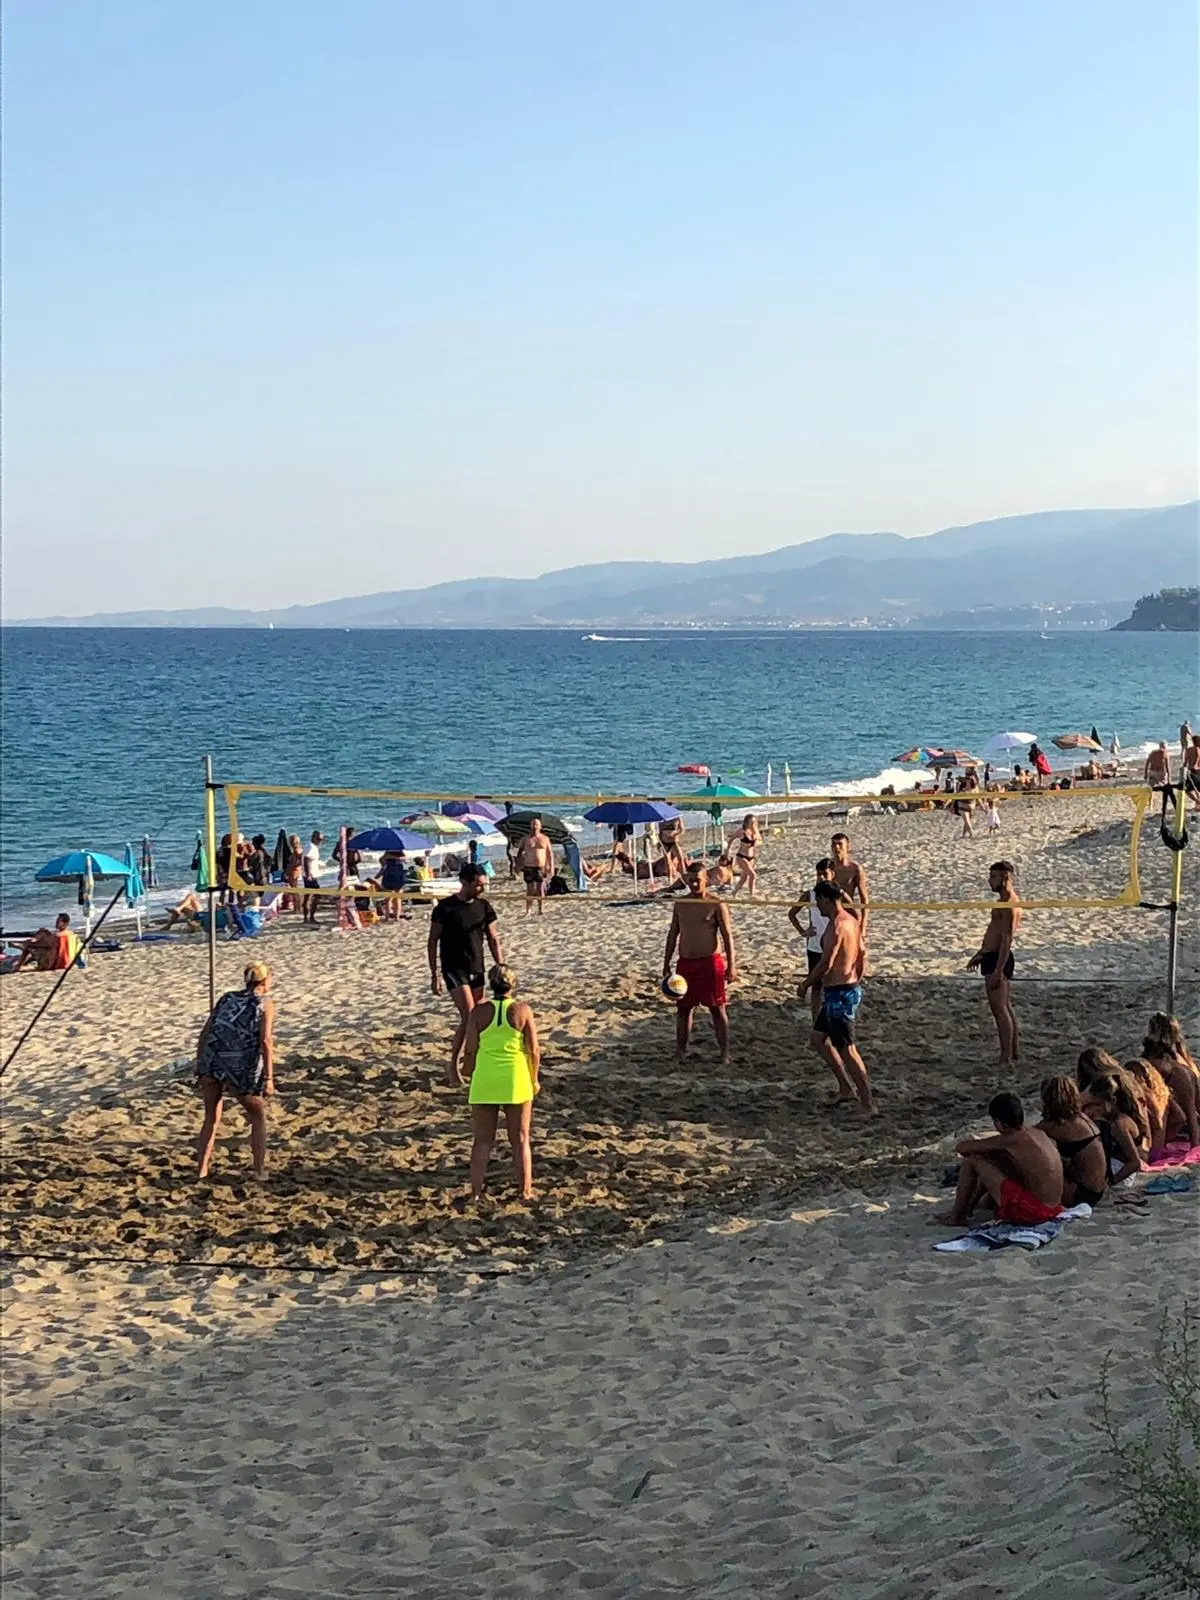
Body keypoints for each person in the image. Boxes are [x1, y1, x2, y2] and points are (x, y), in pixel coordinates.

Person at [461, 963, 540, 1201]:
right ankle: (525, 1191)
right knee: (521, 1138)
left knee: (482, 1140)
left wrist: (467, 1071)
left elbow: (471, 1049)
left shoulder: (478, 1012)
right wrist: (534, 1079)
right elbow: (534, 1050)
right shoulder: (522, 1010)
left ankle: (475, 1191)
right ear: (513, 985)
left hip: (486, 1077)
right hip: (516, 1077)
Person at [195, 960, 276, 1180]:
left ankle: (202, 1170)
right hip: (239, 1067)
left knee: (211, 1117)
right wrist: (269, 1077)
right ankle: (259, 1171)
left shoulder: (227, 998)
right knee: (257, 1116)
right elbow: (266, 1041)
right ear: (266, 981)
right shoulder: (264, 1004)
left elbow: (206, 1031)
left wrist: (200, 1063)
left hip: (212, 1060)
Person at [799, 879, 874, 1115]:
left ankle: (868, 1102)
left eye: (818, 902)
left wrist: (806, 984)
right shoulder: (851, 921)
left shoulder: (837, 927)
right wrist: (855, 977)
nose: (817, 907)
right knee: (818, 1039)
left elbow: (825, 963)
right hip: (842, 989)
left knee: (847, 1049)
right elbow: (862, 954)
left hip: (840, 993)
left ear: (825, 900)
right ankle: (845, 1088)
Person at [934, 1091, 1063, 1227]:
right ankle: (969, 1207)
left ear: (1000, 1123)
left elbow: (962, 1148)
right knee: (997, 1159)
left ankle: (958, 1215)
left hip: (1035, 1211)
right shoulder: (1037, 1132)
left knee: (973, 1159)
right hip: (1054, 1207)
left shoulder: (1011, 1139)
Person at [428, 864, 503, 1087]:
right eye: (478, 885)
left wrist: (501, 965)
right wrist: (434, 974)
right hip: (453, 968)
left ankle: (473, 1064)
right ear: (465, 882)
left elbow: (493, 938)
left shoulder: (484, 907)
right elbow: (432, 941)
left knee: (478, 1019)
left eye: (483, 885)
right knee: (469, 1016)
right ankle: (454, 1066)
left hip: (477, 968)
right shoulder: (445, 908)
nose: (482, 889)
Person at [663, 864, 737, 1065]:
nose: (695, 884)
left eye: (698, 880)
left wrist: (731, 965)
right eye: (691, 880)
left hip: (710, 961)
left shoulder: (716, 903)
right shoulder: (681, 903)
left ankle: (724, 1052)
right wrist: (666, 962)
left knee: (717, 1008)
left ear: (707, 879)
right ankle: (680, 1052)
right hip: (686, 962)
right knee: (684, 1009)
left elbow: (727, 936)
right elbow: (673, 934)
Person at [967, 861, 1021, 1066]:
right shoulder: (1002, 901)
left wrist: (998, 969)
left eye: (993, 877)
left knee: (1000, 1009)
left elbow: (1006, 939)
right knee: (1004, 1007)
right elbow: (993, 932)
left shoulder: (1009, 904)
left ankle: (1006, 1057)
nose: (990, 881)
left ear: (1005, 877)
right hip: (992, 956)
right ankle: (1012, 1053)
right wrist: (981, 953)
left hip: (999, 957)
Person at [1037, 1076, 1107, 1207]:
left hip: (1081, 1194)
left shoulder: (1059, 1126)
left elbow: (1027, 1136)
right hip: (1096, 1189)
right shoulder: (1081, 1118)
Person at [788, 857, 838, 1022]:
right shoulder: (810, 895)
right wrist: (803, 932)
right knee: (816, 985)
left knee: (833, 985)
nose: (820, 878)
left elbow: (852, 912)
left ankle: (831, 1017)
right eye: (818, 874)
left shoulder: (837, 895)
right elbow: (792, 913)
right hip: (815, 946)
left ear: (832, 874)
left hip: (833, 945)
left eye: (824, 874)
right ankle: (816, 1020)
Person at [1078, 1073, 1145, 1187]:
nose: (1093, 1109)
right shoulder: (1107, 1119)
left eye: (1097, 1105)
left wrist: (1110, 1182)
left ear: (1112, 1101)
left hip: (1122, 1170)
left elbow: (1135, 1163)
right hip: (1113, 1162)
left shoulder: (1119, 1124)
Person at [830, 833, 869, 950]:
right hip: (831, 913)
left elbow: (864, 899)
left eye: (840, 844)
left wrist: (863, 926)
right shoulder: (828, 867)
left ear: (848, 847)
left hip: (849, 912)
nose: (837, 848)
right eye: (834, 845)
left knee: (855, 950)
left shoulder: (854, 869)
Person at [515, 819, 555, 916]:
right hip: (528, 866)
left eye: (536, 825)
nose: (535, 826)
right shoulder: (526, 839)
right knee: (530, 889)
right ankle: (528, 910)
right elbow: (519, 853)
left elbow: (550, 853)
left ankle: (540, 909)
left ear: (540, 826)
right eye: (533, 824)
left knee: (540, 888)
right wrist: (518, 866)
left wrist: (551, 867)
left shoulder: (545, 838)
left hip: (540, 866)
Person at [731, 814, 761, 898]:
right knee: (753, 875)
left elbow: (760, 841)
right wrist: (727, 851)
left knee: (744, 878)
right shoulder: (742, 831)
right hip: (742, 856)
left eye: (754, 822)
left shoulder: (755, 831)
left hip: (751, 858)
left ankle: (734, 892)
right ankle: (752, 895)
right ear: (747, 822)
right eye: (751, 822)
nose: (753, 823)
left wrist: (756, 843)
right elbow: (731, 839)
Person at [377, 849, 410, 921]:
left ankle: (394, 917)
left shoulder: (394, 852)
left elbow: (407, 860)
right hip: (393, 875)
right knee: (391, 898)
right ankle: (390, 916)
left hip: (395, 875)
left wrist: (393, 857)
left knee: (394, 897)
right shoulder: (392, 852)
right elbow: (382, 861)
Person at [301, 830, 325, 925]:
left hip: (310, 874)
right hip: (311, 876)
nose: (320, 842)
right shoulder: (311, 847)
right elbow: (307, 860)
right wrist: (308, 874)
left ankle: (306, 918)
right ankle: (310, 917)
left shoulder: (310, 846)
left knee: (308, 895)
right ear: (314, 838)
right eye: (319, 839)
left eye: (321, 840)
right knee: (316, 896)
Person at [1184, 734, 1200, 810]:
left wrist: (1184, 768)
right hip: (1198, 770)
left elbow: (1185, 762)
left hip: (1190, 770)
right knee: (1197, 788)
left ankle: (1197, 802)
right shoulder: (1199, 749)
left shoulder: (1189, 749)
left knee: (1188, 790)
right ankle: (1198, 804)